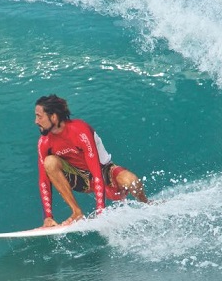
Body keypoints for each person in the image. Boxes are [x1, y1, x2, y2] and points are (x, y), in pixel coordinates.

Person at [34, 94, 148, 227]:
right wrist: (48, 217)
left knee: (132, 181)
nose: (36, 121)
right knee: (50, 162)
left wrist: (100, 211)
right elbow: (44, 180)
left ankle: (146, 204)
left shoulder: (80, 131)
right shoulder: (44, 142)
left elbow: (97, 172)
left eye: (39, 116)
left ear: (53, 116)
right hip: (79, 178)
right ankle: (77, 212)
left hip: (103, 171)